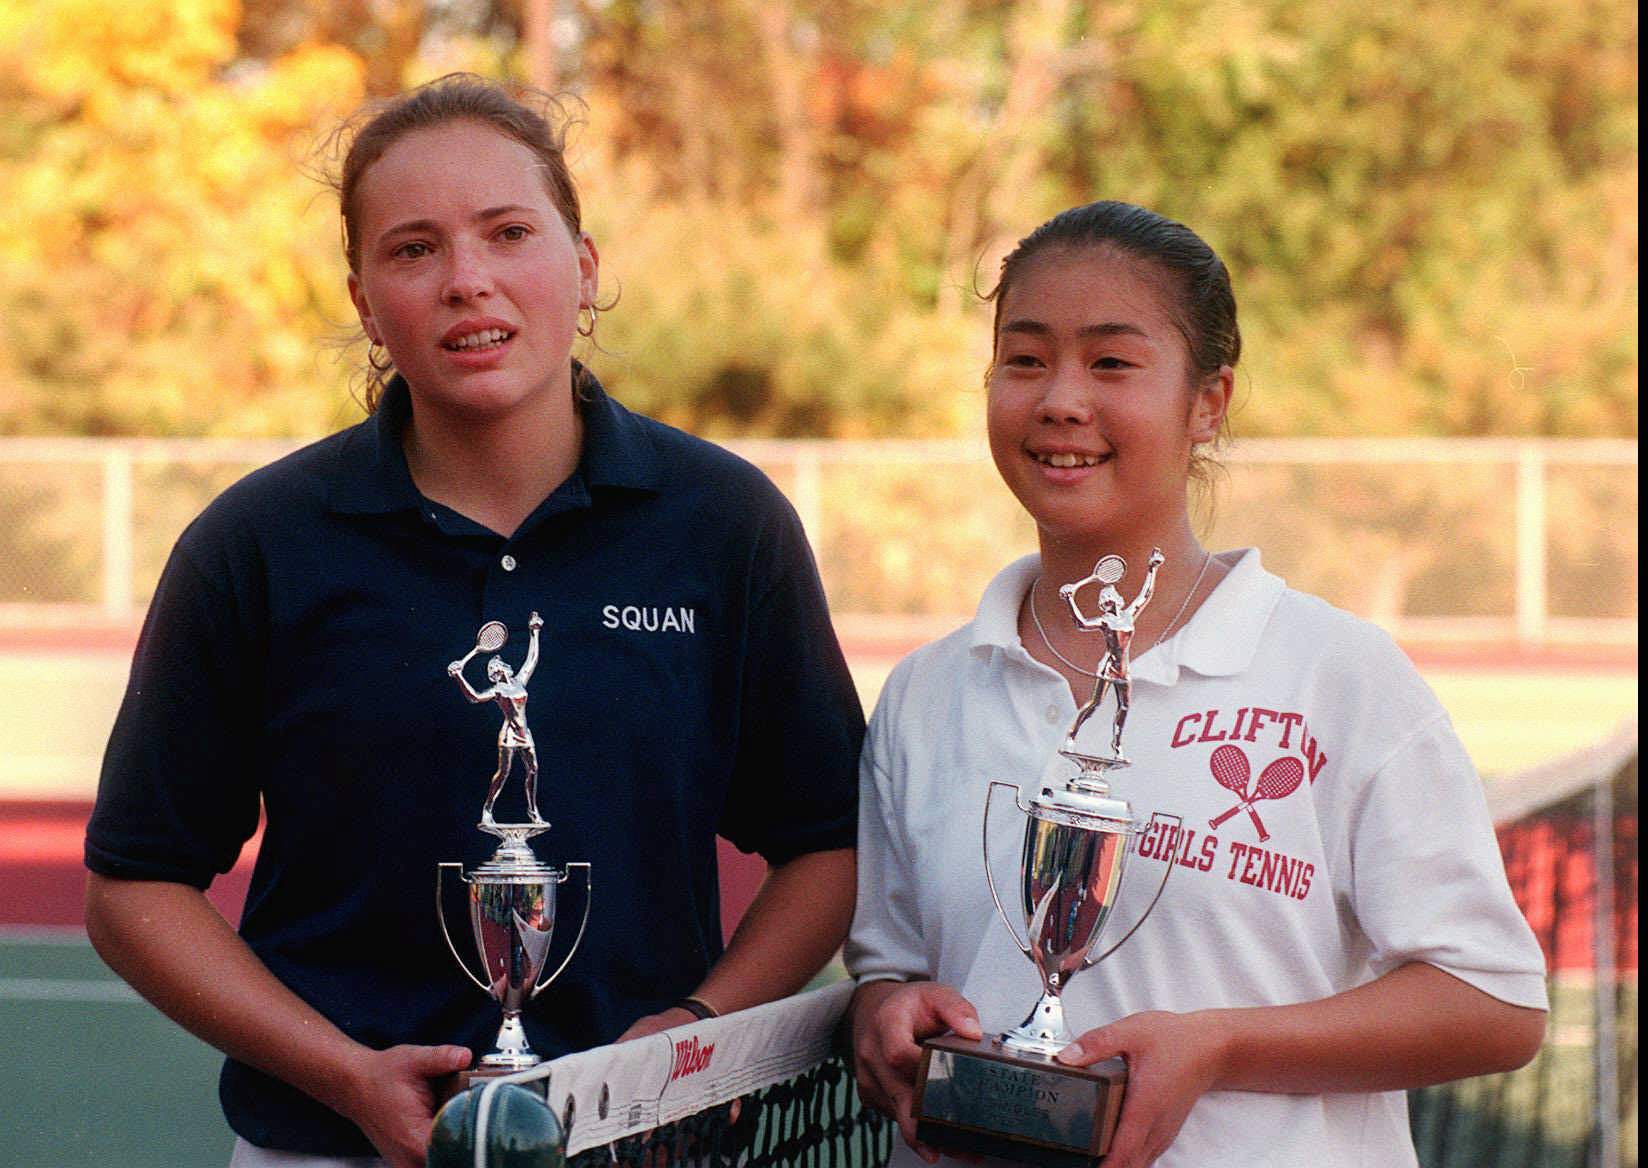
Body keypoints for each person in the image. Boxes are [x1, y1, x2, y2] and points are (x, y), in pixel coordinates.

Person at [83, 75, 862, 1168]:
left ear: (582, 267)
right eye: (414, 250)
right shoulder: (255, 544)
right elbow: (134, 886)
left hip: (639, 1145)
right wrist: (344, 1075)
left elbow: (827, 841)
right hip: (333, 1143)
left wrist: (689, 1040)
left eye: (509, 232)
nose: (468, 280)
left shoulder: (725, 525)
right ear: (363, 299)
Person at [844, 200, 1548, 1168]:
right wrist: (884, 1007)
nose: (1059, 398)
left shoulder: (1335, 674)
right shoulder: (926, 693)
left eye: (1111, 362)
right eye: (1023, 358)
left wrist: (1218, 1045)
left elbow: (1495, 1005)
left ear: (1206, 401)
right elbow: (890, 969)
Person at [448, 611, 545, 827]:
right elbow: (474, 698)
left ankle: (533, 811)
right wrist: (459, 677)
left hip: (524, 734)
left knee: (533, 769)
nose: (505, 664)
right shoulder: (498, 690)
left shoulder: (520, 681)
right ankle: (488, 809)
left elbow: (532, 658)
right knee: (504, 772)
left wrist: (534, 632)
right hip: (509, 734)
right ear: (496, 672)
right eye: (499, 663)